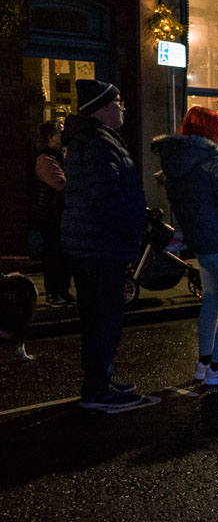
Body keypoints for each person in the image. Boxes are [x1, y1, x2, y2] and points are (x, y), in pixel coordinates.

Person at [61, 80, 146, 409]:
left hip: (95, 245)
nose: (122, 108)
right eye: (118, 103)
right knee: (102, 319)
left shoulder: (97, 140)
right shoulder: (98, 142)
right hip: (100, 247)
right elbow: (105, 196)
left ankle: (102, 378)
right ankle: (97, 390)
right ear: (102, 108)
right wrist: (129, 229)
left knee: (101, 318)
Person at [152, 107, 218, 386]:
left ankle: (204, 362)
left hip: (200, 243)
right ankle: (217, 368)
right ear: (212, 132)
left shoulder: (175, 166)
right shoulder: (215, 164)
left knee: (211, 299)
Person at [31, 120, 72, 306]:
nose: (63, 134)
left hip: (62, 215)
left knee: (66, 255)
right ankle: (52, 294)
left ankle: (64, 290)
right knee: (53, 255)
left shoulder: (62, 155)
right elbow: (61, 185)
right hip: (50, 216)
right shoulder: (45, 160)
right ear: (50, 138)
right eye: (60, 131)